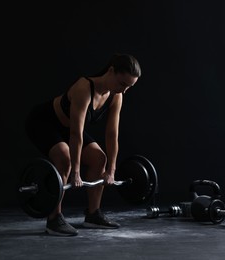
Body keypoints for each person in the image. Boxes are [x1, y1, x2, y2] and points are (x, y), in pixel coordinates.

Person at [25, 53, 141, 236]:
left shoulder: (116, 96)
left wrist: (111, 169)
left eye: (128, 87)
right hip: (43, 122)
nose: (124, 90)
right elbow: (76, 134)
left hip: (67, 127)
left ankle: (93, 215)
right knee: (65, 161)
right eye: (122, 84)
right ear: (111, 71)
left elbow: (112, 135)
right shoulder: (84, 87)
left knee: (99, 158)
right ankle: (54, 219)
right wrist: (76, 173)